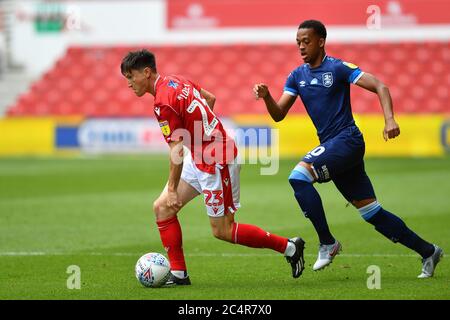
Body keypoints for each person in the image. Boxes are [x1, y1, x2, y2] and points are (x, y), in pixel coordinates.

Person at [253, 20, 443, 278]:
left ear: (321, 41)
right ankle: (428, 251)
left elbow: (380, 86)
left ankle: (327, 242)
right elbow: (278, 115)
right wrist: (266, 97)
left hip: (347, 140)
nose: (301, 46)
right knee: (371, 212)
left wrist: (389, 119)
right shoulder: (297, 76)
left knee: (298, 176)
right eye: (298, 42)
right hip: (333, 147)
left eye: (306, 41)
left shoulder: (338, 68)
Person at [121, 49, 305, 285]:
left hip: (216, 161)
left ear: (146, 72)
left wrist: (173, 187)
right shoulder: (178, 80)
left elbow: (176, 151)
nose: (128, 83)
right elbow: (210, 98)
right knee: (162, 209)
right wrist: (204, 135)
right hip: (200, 156)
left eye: (130, 76)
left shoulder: (162, 103)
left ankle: (289, 247)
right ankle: (178, 274)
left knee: (223, 230)